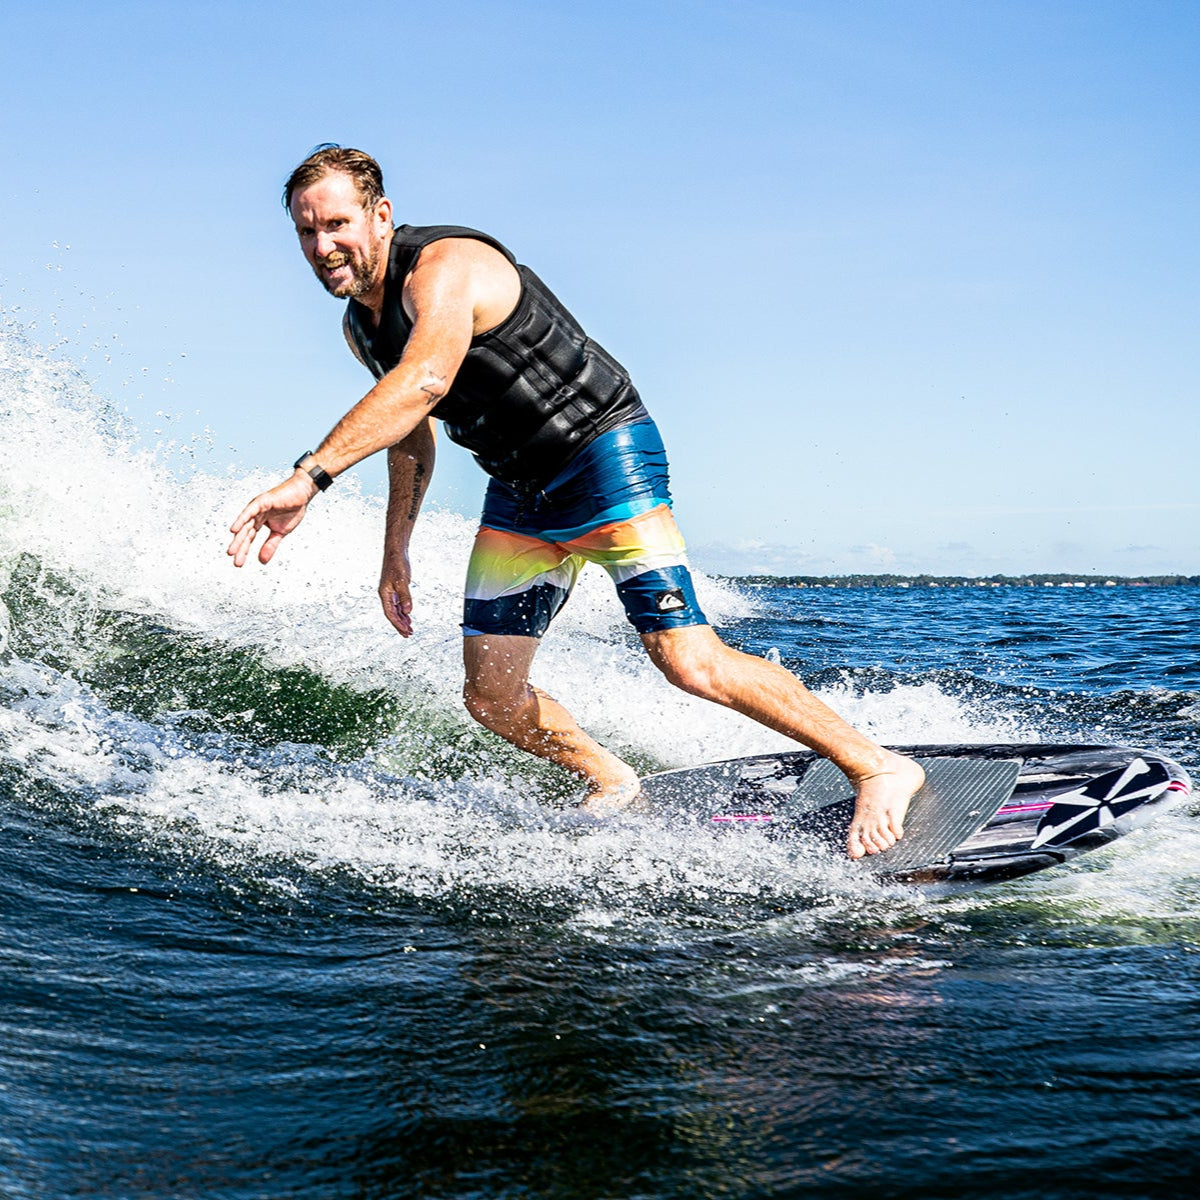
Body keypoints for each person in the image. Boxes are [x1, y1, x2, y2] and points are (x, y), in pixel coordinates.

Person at [227, 145, 924, 858]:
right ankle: (610, 776)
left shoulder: (446, 268)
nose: (323, 246)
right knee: (491, 698)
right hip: (521, 492)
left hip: (602, 456)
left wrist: (308, 478)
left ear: (381, 215)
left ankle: (878, 765)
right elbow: (411, 436)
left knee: (688, 661)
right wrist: (394, 550)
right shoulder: (361, 327)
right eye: (306, 232)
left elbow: (426, 381)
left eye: (336, 224)